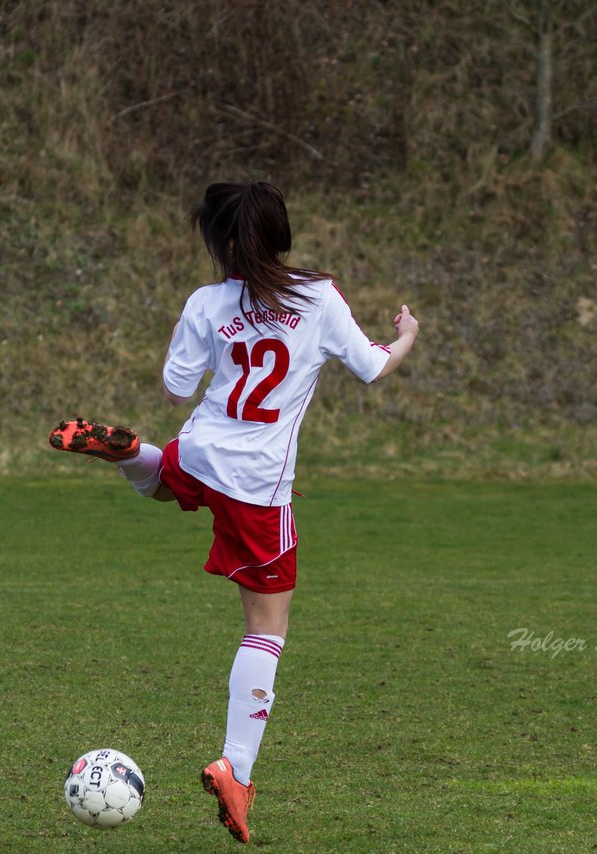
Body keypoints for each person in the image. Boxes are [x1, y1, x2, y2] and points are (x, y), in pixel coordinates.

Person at [49, 182, 418, 843]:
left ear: (220, 243)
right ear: (280, 234)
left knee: (164, 482)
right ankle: (236, 769)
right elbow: (370, 368)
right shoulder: (319, 297)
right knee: (266, 629)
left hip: (200, 450)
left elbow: (176, 385)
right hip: (259, 484)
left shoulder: (208, 303)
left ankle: (135, 456)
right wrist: (408, 336)